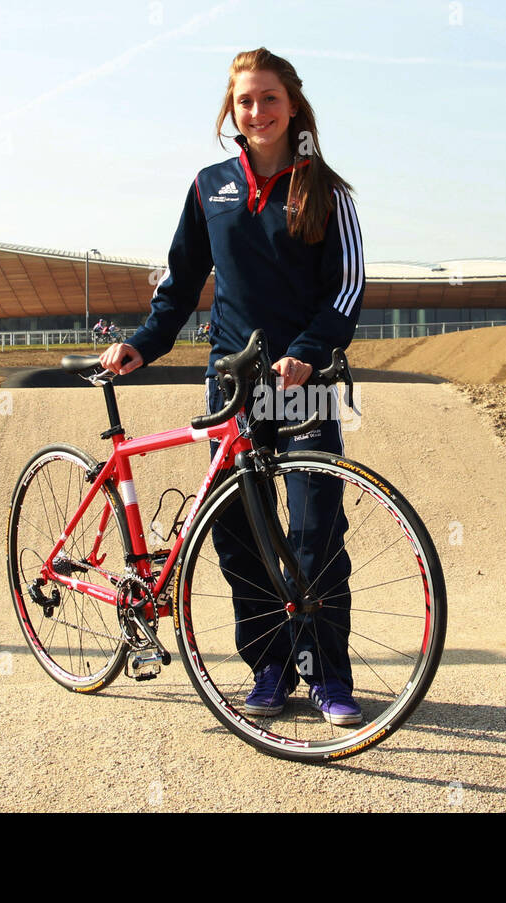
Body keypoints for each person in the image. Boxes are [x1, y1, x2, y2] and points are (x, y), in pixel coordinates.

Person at [99, 48, 365, 726]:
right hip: (233, 381)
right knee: (240, 534)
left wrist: (307, 352)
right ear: (232, 111)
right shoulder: (209, 186)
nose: (257, 111)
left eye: (269, 99)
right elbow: (180, 283)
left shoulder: (327, 191)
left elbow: (348, 289)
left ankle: (330, 675)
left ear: (293, 105)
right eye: (245, 101)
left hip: (304, 385)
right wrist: (144, 344)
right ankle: (270, 665)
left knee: (314, 533)